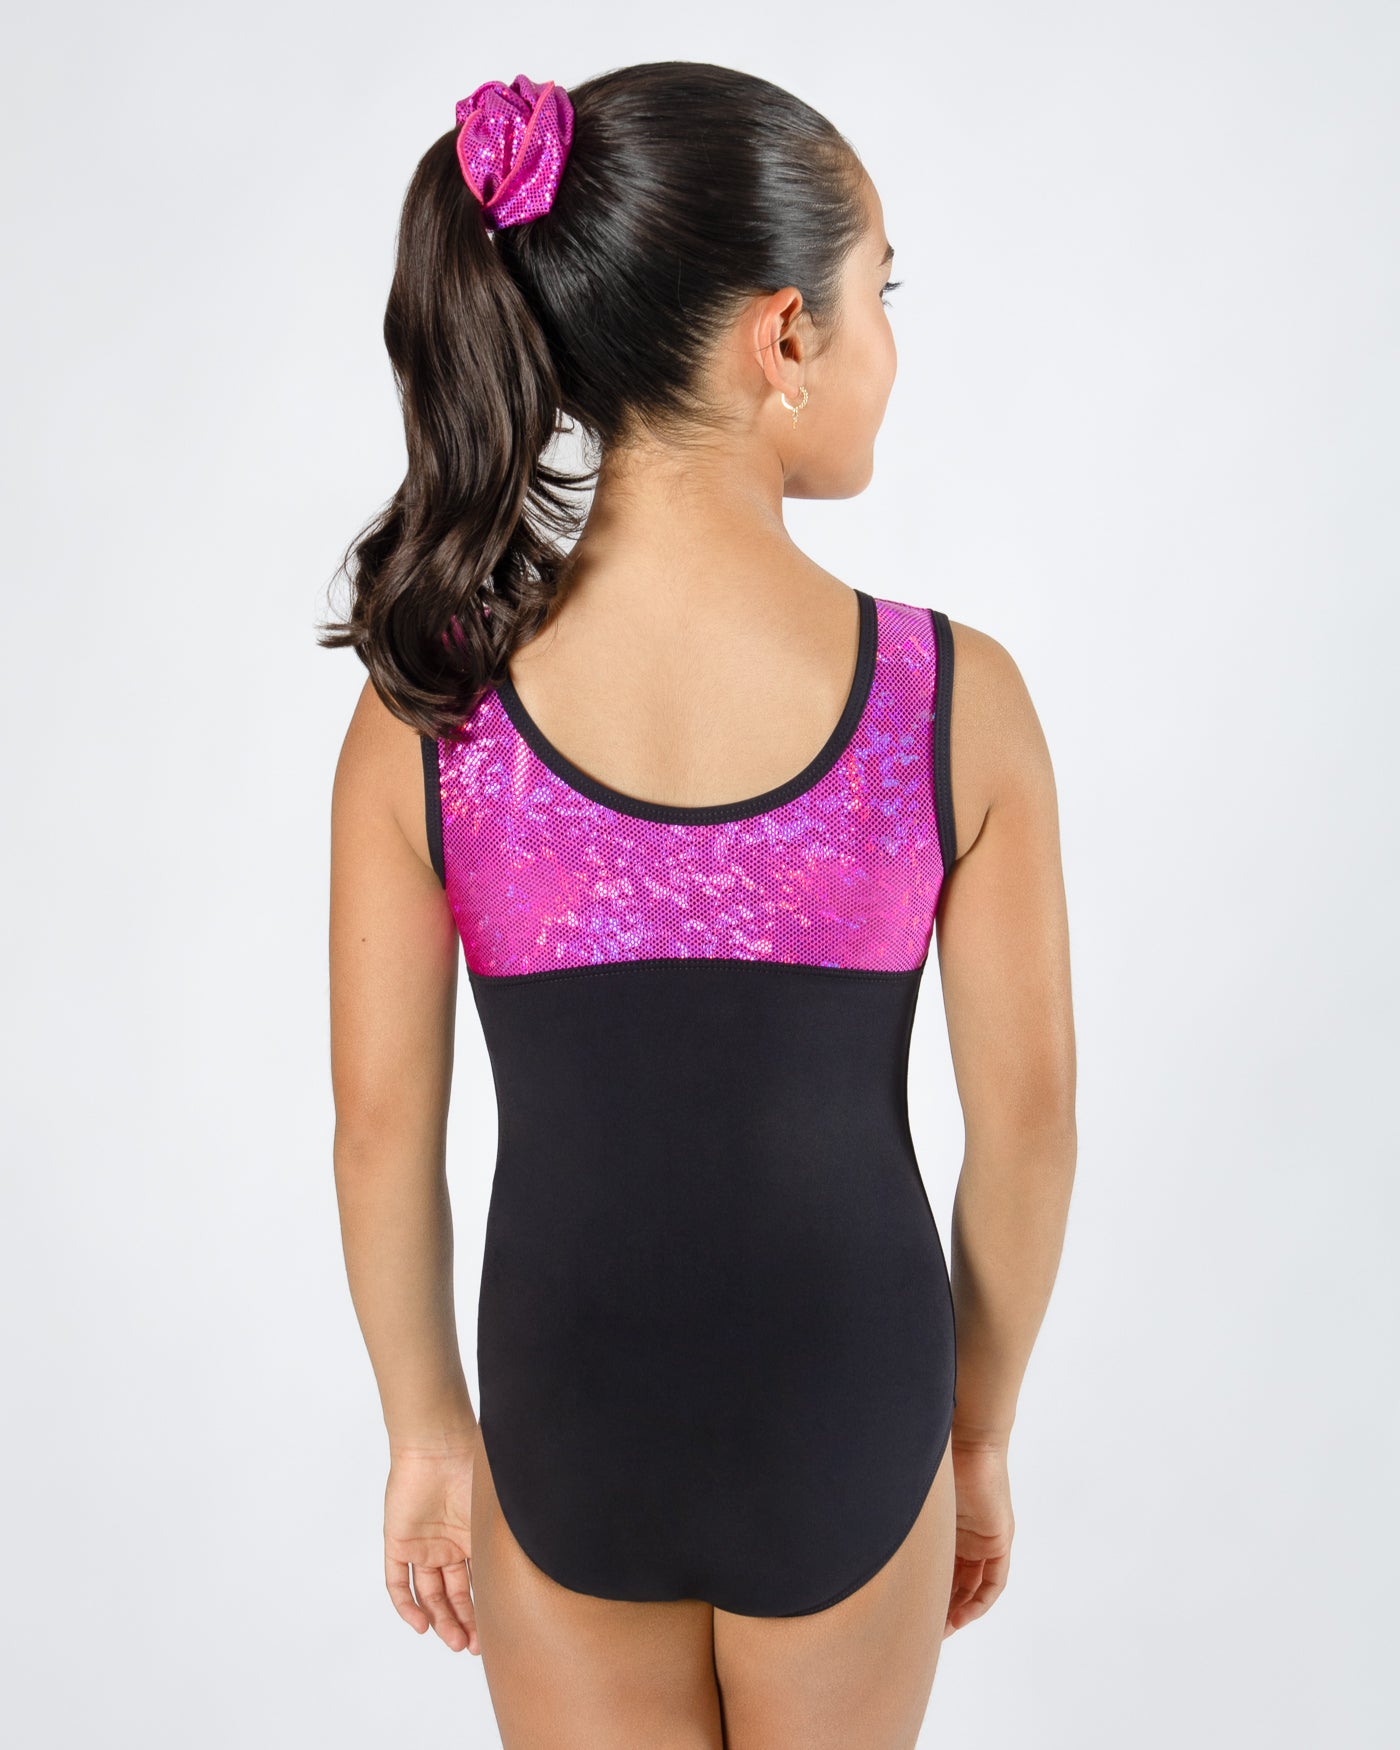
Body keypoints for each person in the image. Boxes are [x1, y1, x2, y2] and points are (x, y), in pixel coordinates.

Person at [323, 60, 1076, 1750]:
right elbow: (1029, 1126)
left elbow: (380, 1130)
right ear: (786, 335)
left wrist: (428, 1431)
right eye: (884, 294)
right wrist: (974, 1430)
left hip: (563, 1411)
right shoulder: (948, 702)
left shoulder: (434, 713)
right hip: (850, 1409)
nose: (892, 344)